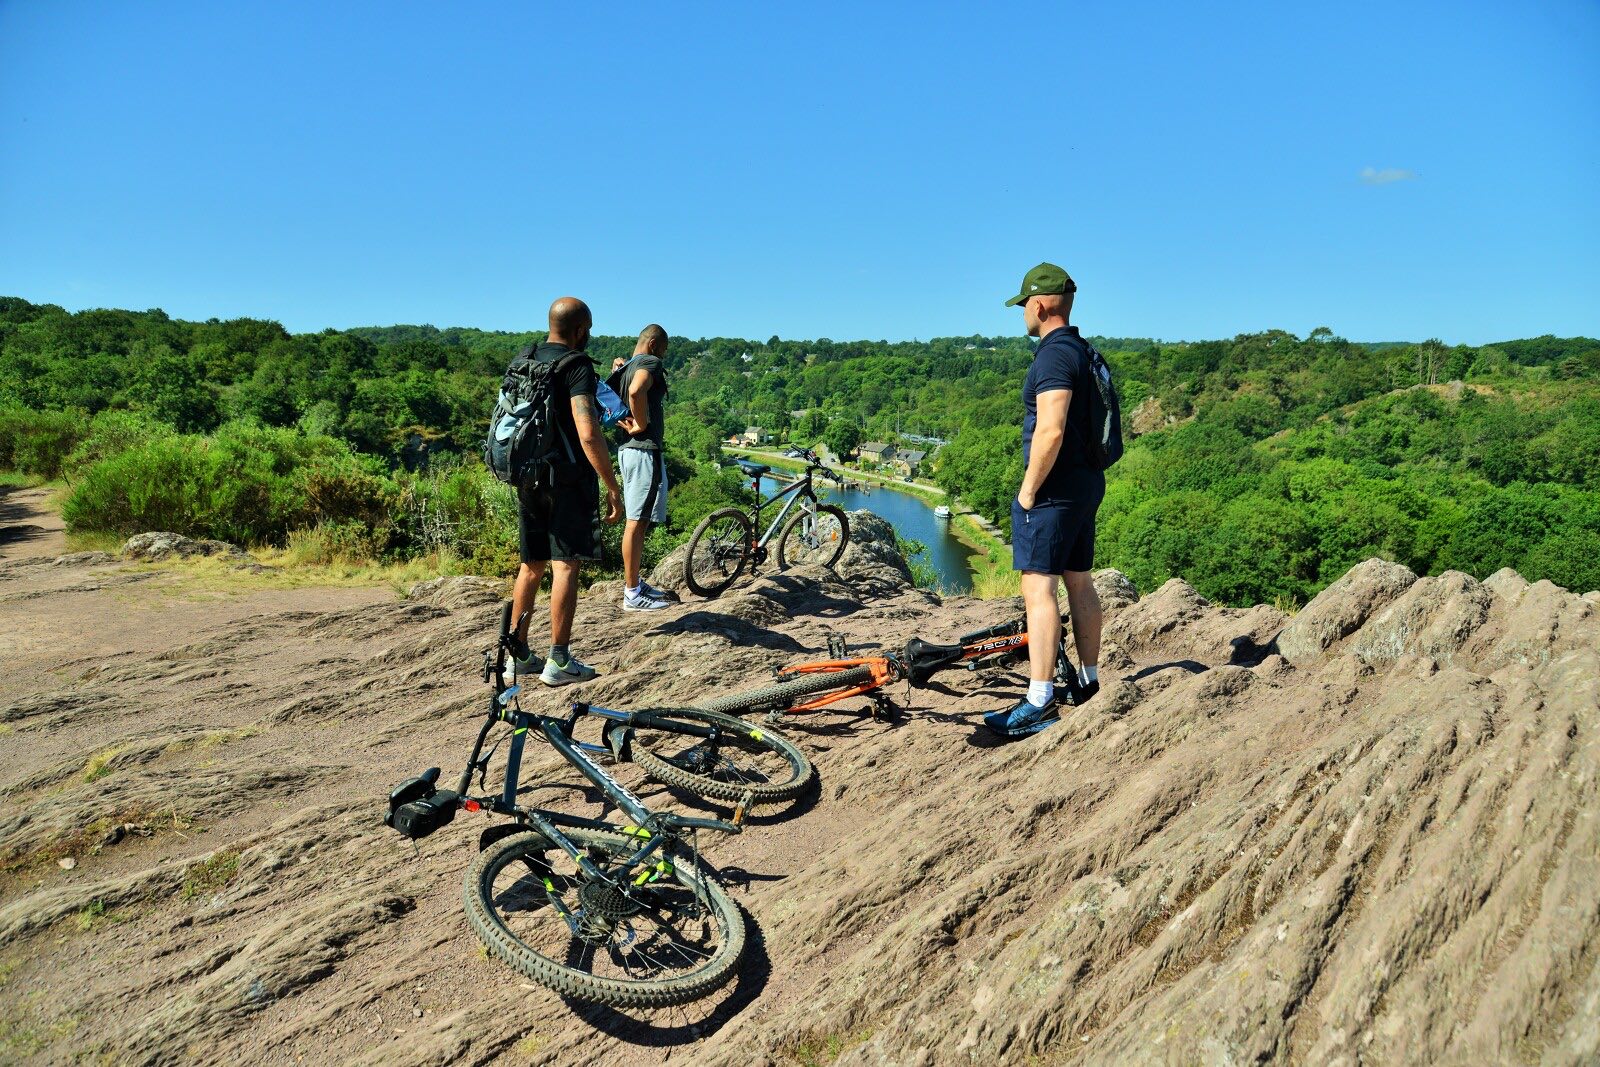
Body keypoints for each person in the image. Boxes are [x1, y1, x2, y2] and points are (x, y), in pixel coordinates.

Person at [984, 262, 1104, 737]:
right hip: (1085, 484)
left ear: (1038, 305)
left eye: (1023, 307)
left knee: (1039, 590)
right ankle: (1088, 683)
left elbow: (1051, 428)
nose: (1022, 316)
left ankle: (1039, 699)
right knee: (1080, 581)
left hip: (1054, 490)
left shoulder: (1053, 356)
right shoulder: (1085, 351)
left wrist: (1029, 490)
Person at [508, 296, 623, 686]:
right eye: (587, 330)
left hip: (527, 475)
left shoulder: (525, 357)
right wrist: (611, 484)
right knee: (565, 564)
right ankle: (558, 660)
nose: (588, 336)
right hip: (567, 479)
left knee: (530, 565)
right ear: (579, 330)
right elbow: (588, 433)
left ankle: (517, 655)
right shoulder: (575, 365)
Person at [611, 324, 678, 612]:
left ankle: (635, 583)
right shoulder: (650, 362)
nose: (662, 356)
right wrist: (641, 424)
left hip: (628, 452)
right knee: (637, 522)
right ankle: (633, 594)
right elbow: (637, 390)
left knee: (637, 520)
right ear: (653, 345)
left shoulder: (623, 368)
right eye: (663, 350)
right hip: (643, 451)